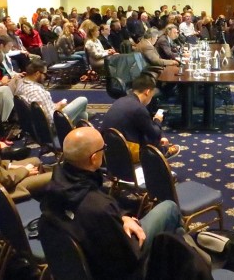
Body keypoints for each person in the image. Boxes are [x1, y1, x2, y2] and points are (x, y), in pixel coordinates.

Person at [40, 126, 185, 279]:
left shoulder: (54, 185)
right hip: (120, 272)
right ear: (94, 158)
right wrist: (119, 222)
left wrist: (121, 216)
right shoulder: (100, 207)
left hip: (82, 266)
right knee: (170, 208)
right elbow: (130, 257)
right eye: (104, 148)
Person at [101, 74, 180, 160]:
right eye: (152, 95)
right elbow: (153, 133)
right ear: (147, 92)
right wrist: (157, 120)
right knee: (150, 137)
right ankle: (163, 152)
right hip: (124, 151)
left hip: (106, 146)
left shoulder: (122, 100)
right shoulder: (138, 108)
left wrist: (161, 135)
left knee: (146, 129)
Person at [16, 60, 89, 126]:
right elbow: (50, 119)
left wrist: (56, 105)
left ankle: (77, 127)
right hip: (52, 125)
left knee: (83, 114)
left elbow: (43, 109)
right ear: (37, 74)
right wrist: (59, 107)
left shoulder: (21, 83)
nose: (46, 77)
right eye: (45, 74)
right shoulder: (37, 91)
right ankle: (74, 131)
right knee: (83, 100)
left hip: (34, 124)